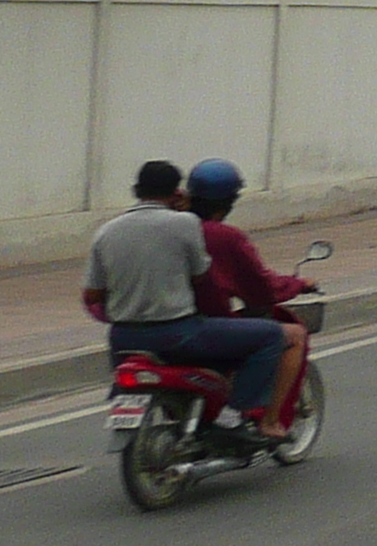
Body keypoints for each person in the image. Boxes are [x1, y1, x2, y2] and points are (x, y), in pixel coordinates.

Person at [81, 160, 289, 440]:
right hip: (177, 334)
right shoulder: (185, 223)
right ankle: (232, 416)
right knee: (271, 336)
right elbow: (201, 277)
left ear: (135, 190)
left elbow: (92, 295)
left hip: (122, 339)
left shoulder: (106, 232)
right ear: (177, 192)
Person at [182, 160, 311, 429]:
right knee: (291, 336)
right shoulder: (225, 236)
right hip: (203, 325)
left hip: (150, 325)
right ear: (229, 201)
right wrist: (297, 285)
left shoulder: (172, 229)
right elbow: (260, 286)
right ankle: (265, 419)